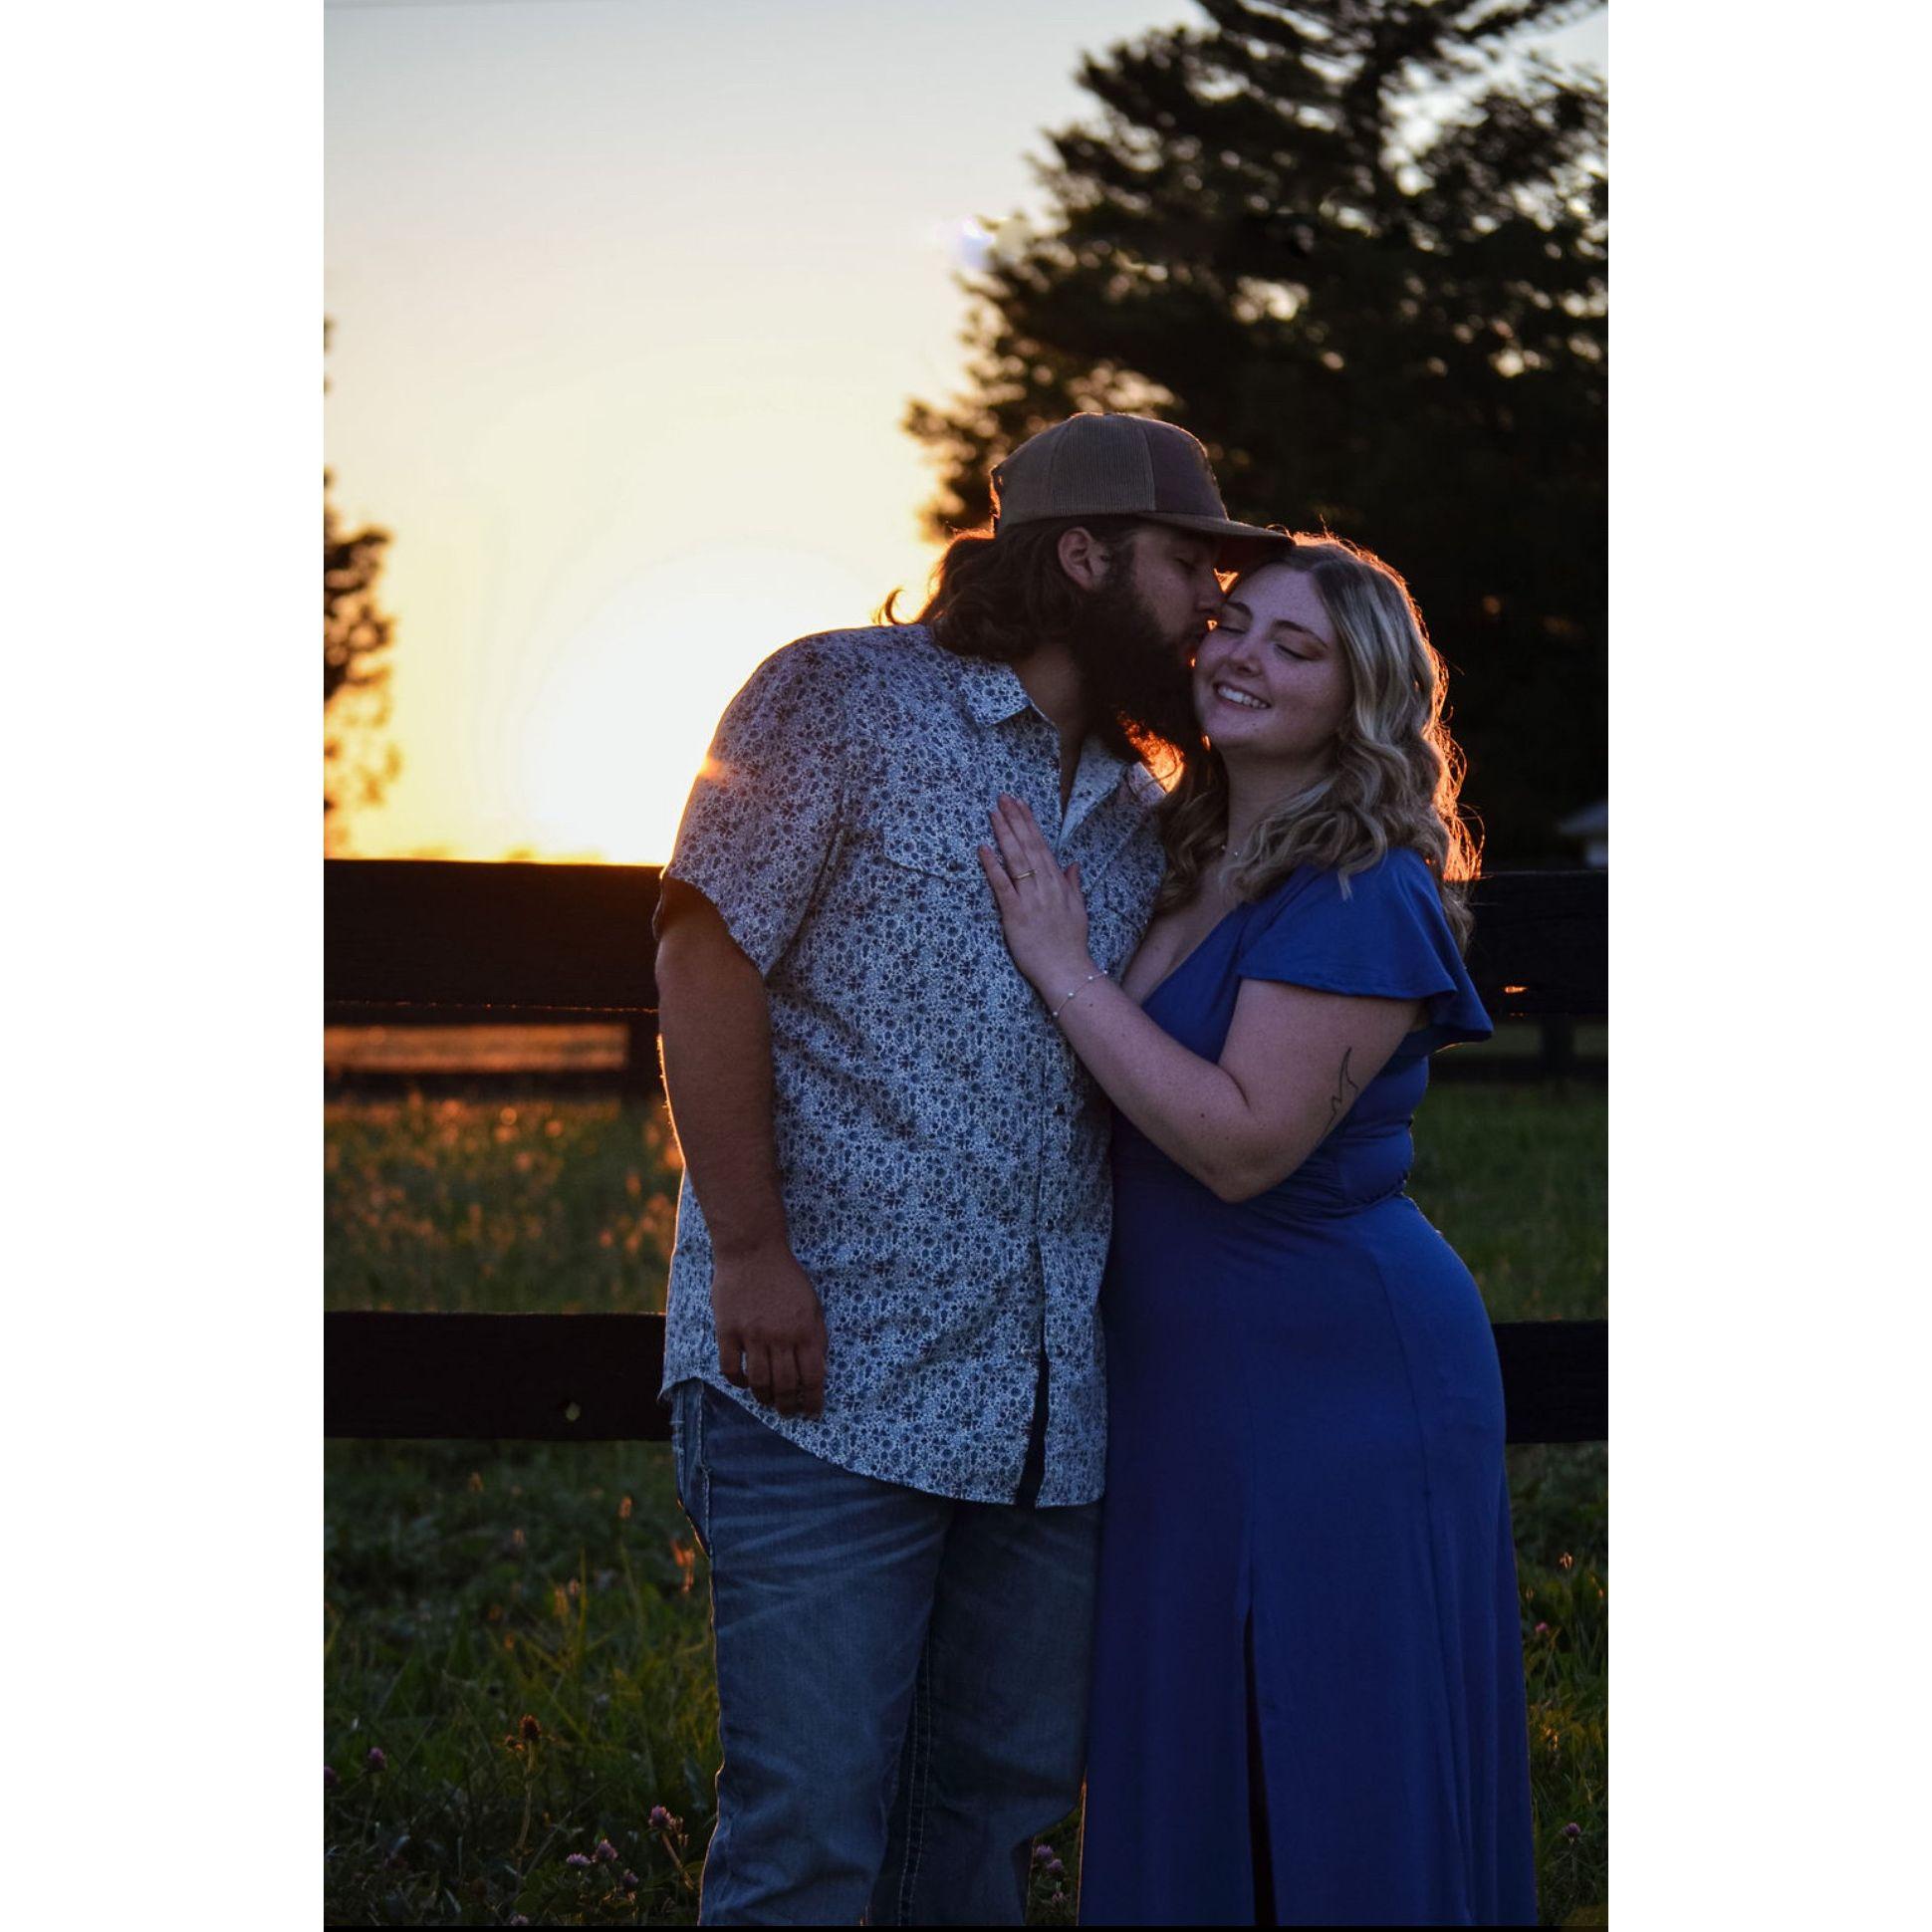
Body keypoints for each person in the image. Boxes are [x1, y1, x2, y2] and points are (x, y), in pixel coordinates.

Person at [651, 412, 1293, 1924]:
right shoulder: (835, 696)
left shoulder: (1141, 811)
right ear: (1083, 557)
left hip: (1047, 1415)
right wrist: (751, 1251)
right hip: (829, 1372)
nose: (1210, 607)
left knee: (989, 1827)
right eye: (1189, 564)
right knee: (810, 1834)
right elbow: (704, 951)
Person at [979, 535, 1539, 1926]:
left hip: (1336, 1377)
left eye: (1298, 648)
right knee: (1195, 1745)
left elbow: (1240, 1144)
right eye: (1234, 622)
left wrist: (1059, 966)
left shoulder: (1360, 883)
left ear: (1362, 698)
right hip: (1182, 1379)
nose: (1241, 656)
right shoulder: (1176, 849)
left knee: (1334, 1754)